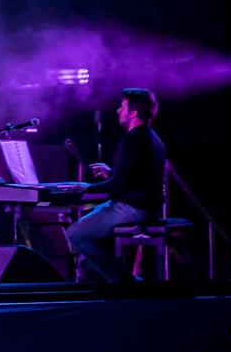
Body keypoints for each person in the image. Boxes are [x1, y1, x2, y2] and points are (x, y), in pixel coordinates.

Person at [67, 87, 167, 284]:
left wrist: (86, 188)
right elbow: (137, 176)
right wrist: (113, 172)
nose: (117, 111)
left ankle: (120, 280)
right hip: (148, 207)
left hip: (133, 209)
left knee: (75, 233)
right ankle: (95, 274)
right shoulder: (152, 137)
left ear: (133, 113)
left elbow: (118, 187)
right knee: (94, 217)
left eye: (122, 106)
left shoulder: (134, 140)